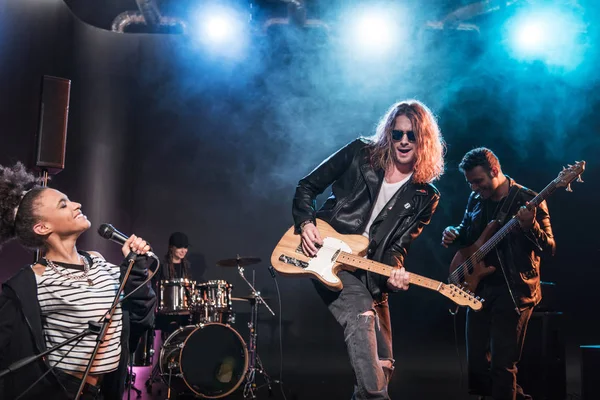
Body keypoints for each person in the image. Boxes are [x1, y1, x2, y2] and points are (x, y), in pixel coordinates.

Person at [293, 99, 445, 399]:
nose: (403, 141)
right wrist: (306, 224)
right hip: (327, 255)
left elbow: (398, 246)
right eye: (397, 134)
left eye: (411, 135)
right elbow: (307, 187)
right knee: (362, 315)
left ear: (423, 140)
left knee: (383, 362)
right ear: (388, 134)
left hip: (371, 272)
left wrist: (394, 275)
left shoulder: (425, 195)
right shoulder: (360, 153)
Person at [0, 162, 156, 400]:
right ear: (42, 227)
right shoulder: (31, 282)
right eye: (63, 205)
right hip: (63, 392)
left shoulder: (99, 262)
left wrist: (136, 270)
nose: (77, 205)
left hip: (108, 392)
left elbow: (141, 315)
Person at [441, 147, 556, 400]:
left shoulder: (527, 199)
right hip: (480, 287)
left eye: (478, 181)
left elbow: (549, 248)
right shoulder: (476, 199)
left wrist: (530, 226)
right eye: (470, 183)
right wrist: (454, 232)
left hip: (514, 290)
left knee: (502, 366)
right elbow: (467, 230)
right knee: (478, 367)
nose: (474, 188)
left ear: (494, 171)